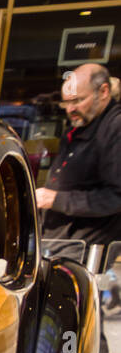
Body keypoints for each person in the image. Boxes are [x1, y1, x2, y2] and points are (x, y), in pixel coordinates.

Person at [36, 62, 121, 248]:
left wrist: (55, 199)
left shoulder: (115, 128)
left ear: (104, 91)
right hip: (54, 242)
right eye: (66, 102)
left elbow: (115, 197)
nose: (70, 109)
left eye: (77, 101)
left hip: (83, 250)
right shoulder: (81, 125)